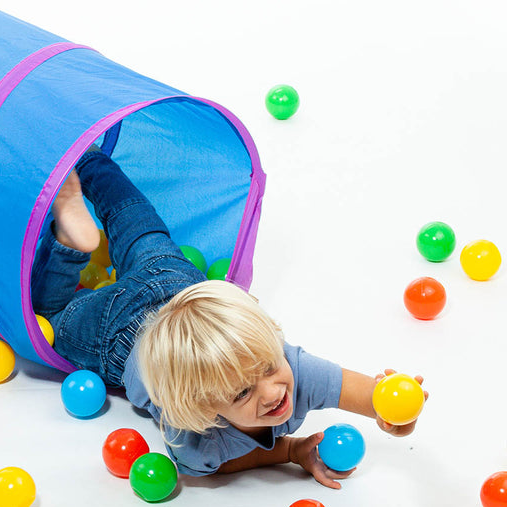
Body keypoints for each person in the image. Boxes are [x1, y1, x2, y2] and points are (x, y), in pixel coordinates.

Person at [32, 146, 428, 488]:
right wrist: (289, 450)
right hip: (120, 333)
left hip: (182, 290)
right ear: (201, 411)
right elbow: (223, 463)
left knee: (133, 222)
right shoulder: (197, 442)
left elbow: (365, 393)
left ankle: (86, 159)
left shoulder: (291, 369)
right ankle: (73, 225)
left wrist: (391, 410)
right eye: (243, 392)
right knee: (52, 319)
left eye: (270, 366)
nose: (272, 391)